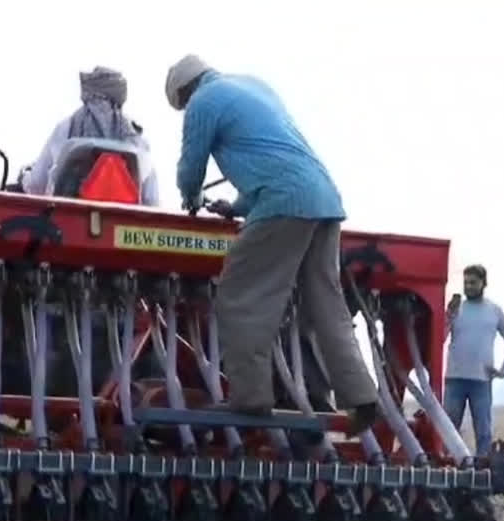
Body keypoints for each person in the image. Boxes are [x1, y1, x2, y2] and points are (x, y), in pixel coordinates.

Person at [162, 54, 378, 435]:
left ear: (183, 92)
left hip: (283, 204)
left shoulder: (202, 101)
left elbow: (191, 164)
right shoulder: (253, 85)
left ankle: (250, 397)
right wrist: (238, 206)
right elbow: (275, 157)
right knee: (327, 304)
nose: (185, 111)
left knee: (240, 295)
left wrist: (190, 196)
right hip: (324, 199)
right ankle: (361, 397)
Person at [19, 66, 160, 204]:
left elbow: (37, 186)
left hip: (66, 220)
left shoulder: (66, 127)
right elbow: (151, 199)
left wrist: (25, 176)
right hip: (124, 224)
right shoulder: (136, 139)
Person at [443, 264, 504, 456]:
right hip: (455, 378)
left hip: (481, 380)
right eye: (466, 283)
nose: (468, 286)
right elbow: (439, 339)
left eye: (473, 283)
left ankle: (481, 472)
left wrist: (503, 371)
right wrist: (448, 317)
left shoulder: (494, 310)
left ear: (484, 283)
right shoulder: (456, 309)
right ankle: (447, 469)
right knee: (449, 430)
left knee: (483, 432)